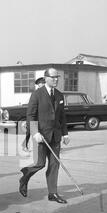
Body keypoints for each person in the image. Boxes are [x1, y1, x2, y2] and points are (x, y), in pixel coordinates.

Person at [19, 68, 70, 203]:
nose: (56, 79)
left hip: (55, 136)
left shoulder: (59, 95)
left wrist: (65, 134)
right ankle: (25, 175)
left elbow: (62, 117)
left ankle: (52, 193)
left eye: (57, 77)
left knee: (54, 164)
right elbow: (30, 115)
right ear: (46, 78)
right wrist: (35, 132)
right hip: (40, 136)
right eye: (53, 77)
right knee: (40, 164)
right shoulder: (37, 94)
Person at [22, 76, 46, 152]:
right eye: (39, 83)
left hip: (41, 117)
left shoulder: (46, 93)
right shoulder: (35, 94)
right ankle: (25, 146)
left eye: (42, 83)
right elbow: (31, 108)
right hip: (34, 117)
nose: (40, 85)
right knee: (29, 132)